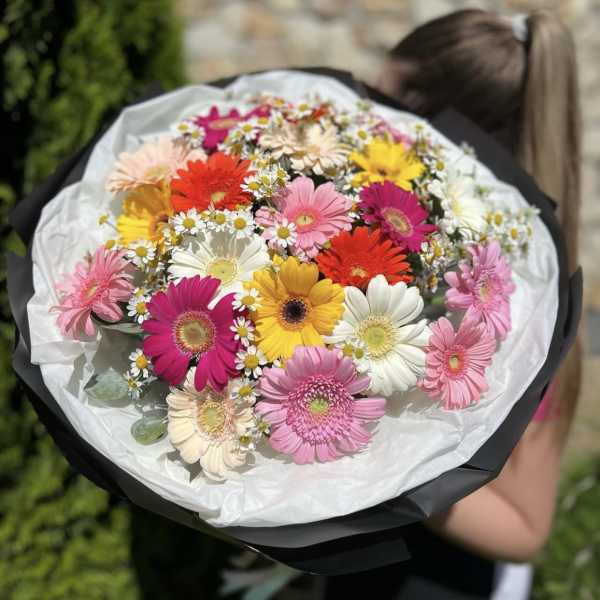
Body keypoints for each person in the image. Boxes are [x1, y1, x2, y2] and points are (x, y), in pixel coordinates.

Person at [325, 8, 582, 599]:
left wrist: (376, 464)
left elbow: (524, 528)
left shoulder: (515, 304)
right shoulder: (388, 249)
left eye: (382, 101)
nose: (363, 120)